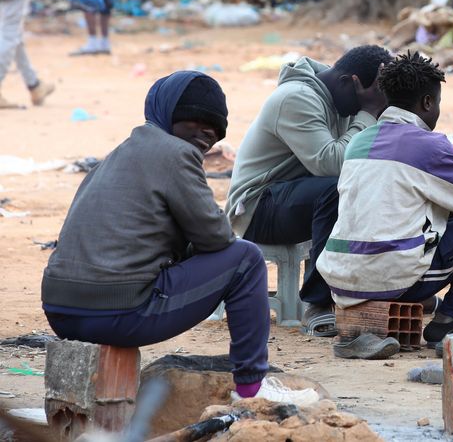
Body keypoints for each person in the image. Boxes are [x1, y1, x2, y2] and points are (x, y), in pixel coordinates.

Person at [40, 72, 311, 403]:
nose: (206, 134)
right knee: (247, 259)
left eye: (214, 128)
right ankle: (252, 388)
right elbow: (217, 238)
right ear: (167, 116)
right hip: (118, 313)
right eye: (193, 121)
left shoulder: (113, 158)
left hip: (60, 309)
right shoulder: (175, 154)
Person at [318, 51, 453, 359]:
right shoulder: (431, 145)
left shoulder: (357, 141)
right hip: (392, 278)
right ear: (427, 103)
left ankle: (363, 332)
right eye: (436, 103)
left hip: (340, 279)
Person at [226, 46, 392, 337]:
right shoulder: (296, 98)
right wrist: (367, 112)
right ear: (348, 83)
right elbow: (332, 164)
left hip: (293, 198)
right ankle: (317, 302)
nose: (361, 111)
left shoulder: (339, 96)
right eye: (365, 102)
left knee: (377, 183)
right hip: (257, 208)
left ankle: (374, 289)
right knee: (336, 188)